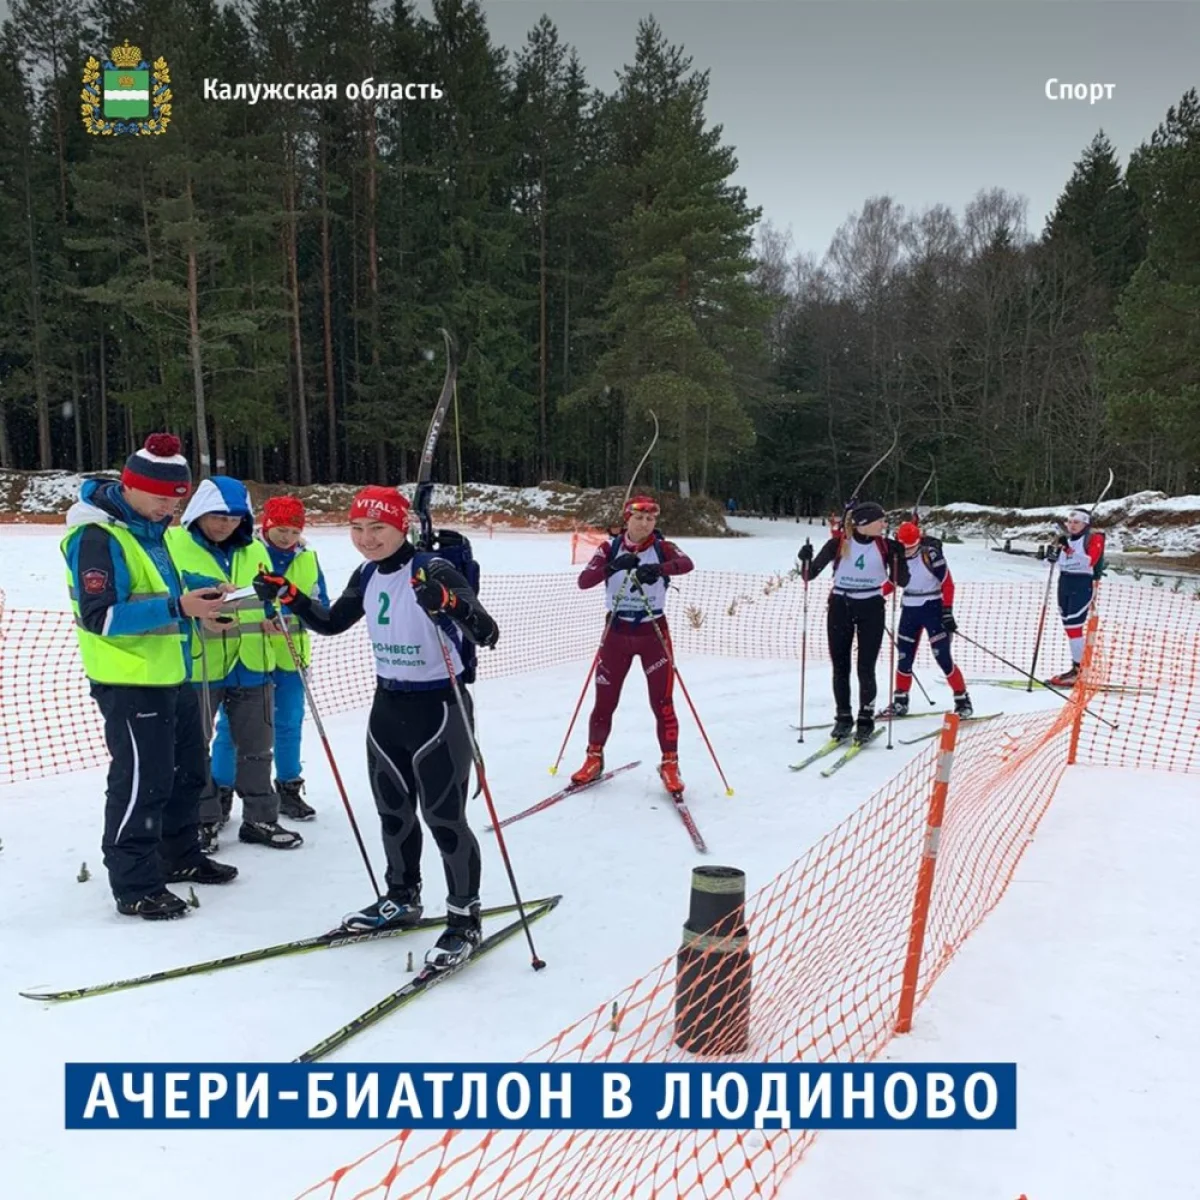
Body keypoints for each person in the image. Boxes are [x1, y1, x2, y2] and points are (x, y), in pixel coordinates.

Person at [252, 485, 499, 969]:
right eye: (357, 528)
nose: (366, 538)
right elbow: (330, 622)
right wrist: (290, 595)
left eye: (378, 527)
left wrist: (447, 601)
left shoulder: (432, 568)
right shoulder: (367, 573)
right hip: (387, 707)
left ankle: (463, 919)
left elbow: (486, 632)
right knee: (393, 814)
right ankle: (402, 897)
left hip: (439, 709)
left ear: (402, 526)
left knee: (445, 820)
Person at [60, 433, 238, 920]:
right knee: (143, 782)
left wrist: (204, 592)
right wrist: (180, 607)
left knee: (188, 773)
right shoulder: (97, 537)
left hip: (172, 673)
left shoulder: (149, 530)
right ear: (130, 485)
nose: (168, 508)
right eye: (159, 497)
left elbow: (161, 586)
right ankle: (134, 883)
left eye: (176, 499)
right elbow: (100, 616)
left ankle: (179, 855)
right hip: (129, 680)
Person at [166, 477, 303, 852]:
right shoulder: (173, 543)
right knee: (195, 748)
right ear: (198, 512)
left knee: (258, 745)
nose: (225, 525)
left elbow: (267, 593)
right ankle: (203, 820)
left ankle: (260, 817)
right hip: (201, 665)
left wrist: (272, 615)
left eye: (233, 518)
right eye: (217, 517)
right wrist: (199, 613)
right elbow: (170, 597)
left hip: (253, 661)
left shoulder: (253, 548)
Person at [211, 495, 328, 821]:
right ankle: (221, 792)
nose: (287, 538)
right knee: (232, 729)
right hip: (249, 657)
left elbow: (321, 608)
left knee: (289, 723)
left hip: (291, 658)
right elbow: (230, 600)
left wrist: (292, 618)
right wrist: (259, 616)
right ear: (267, 525)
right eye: (281, 529)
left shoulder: (307, 558)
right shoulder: (245, 552)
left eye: (294, 531)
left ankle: (289, 787)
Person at [570, 494, 695, 795]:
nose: (644, 524)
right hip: (617, 632)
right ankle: (593, 758)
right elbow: (584, 581)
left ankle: (670, 763)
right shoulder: (609, 548)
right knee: (604, 701)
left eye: (650, 519)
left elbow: (686, 563)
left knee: (662, 702)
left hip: (653, 632)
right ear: (627, 519)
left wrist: (659, 570)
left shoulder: (663, 547)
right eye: (639, 518)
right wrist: (613, 567)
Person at [797, 500, 909, 743]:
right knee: (841, 666)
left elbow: (902, 581)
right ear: (864, 523)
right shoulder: (838, 544)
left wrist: (900, 558)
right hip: (840, 606)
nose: (884, 524)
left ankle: (865, 719)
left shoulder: (886, 546)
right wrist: (804, 558)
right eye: (880, 520)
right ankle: (843, 717)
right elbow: (809, 574)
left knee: (865, 667)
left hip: (871, 607)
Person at [880, 520, 973, 718]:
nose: (907, 551)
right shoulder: (897, 556)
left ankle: (962, 700)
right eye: (904, 546)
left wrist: (947, 611)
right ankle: (900, 701)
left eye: (911, 546)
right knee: (904, 657)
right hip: (909, 609)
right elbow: (892, 582)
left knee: (942, 657)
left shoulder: (930, 554)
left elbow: (947, 583)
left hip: (933, 607)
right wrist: (873, 596)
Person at [1046, 507, 1106, 686]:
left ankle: (1079, 669)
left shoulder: (1093, 538)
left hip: (1081, 584)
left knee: (1074, 627)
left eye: (1076, 522)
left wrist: (1068, 550)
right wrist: (1051, 555)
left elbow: (1089, 561)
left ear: (1085, 524)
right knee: (1069, 628)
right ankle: (1078, 667)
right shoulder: (1065, 539)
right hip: (1064, 583)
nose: (1072, 526)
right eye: (1069, 522)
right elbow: (1051, 563)